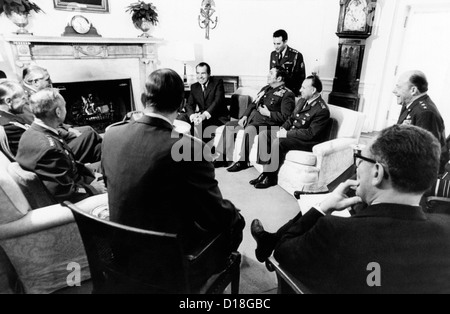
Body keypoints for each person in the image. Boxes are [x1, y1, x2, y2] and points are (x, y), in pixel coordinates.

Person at [251, 124, 450, 294]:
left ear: (377, 172)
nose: (357, 167)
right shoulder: (445, 232)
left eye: (360, 159)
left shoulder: (336, 230)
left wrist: (322, 208)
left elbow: (282, 252)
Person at [102, 68, 245, 289]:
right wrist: (233, 213)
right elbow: (213, 216)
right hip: (168, 265)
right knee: (233, 222)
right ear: (181, 104)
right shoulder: (190, 148)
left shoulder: (110, 134)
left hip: (122, 251)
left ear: (142, 100)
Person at [15, 88, 106, 204]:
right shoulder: (48, 148)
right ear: (58, 112)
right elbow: (66, 192)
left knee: (107, 160)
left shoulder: (33, 133)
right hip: (77, 198)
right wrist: (94, 188)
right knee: (115, 167)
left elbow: (68, 163)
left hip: (76, 179)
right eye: (65, 107)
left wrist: (92, 174)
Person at [249, 75, 331, 189]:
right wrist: (282, 129)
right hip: (293, 134)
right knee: (265, 134)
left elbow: (310, 134)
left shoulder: (322, 110)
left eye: (303, 87)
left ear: (313, 90)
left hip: (307, 142)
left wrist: (286, 134)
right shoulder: (303, 100)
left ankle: (271, 177)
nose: (300, 90)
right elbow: (291, 119)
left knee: (279, 142)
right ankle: (265, 171)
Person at [217, 66, 295, 171]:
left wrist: (269, 114)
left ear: (279, 78)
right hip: (251, 120)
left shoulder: (287, 94)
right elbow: (253, 104)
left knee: (250, 129)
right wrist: (244, 116)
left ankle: (242, 162)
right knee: (229, 126)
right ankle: (222, 158)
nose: (268, 75)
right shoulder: (265, 89)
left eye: (271, 73)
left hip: (267, 125)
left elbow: (286, 117)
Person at [22, 65, 103, 164]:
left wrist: (69, 128)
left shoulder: (36, 93)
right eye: (47, 79)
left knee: (89, 133)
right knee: (91, 135)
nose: (51, 82)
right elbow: (44, 126)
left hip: (57, 134)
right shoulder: (29, 100)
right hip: (57, 142)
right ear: (35, 82)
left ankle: (104, 159)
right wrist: (71, 134)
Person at [394, 70, 449, 173]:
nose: (394, 91)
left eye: (399, 87)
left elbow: (426, 154)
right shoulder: (410, 104)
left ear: (413, 90)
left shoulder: (425, 113)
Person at [177, 62, 228, 140]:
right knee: (181, 118)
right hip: (201, 117)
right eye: (198, 73)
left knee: (199, 126)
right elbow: (189, 104)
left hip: (217, 117)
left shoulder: (217, 83)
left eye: (203, 73)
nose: (200, 76)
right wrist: (193, 116)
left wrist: (203, 115)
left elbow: (217, 102)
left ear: (209, 74)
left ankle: (200, 149)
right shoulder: (194, 87)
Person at [0, 80, 33, 158]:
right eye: (23, 99)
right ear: (8, 101)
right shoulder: (11, 126)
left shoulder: (7, 118)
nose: (26, 102)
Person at [270, 29, 306, 96]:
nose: (275, 47)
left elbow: (300, 79)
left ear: (285, 41)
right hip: (275, 93)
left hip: (289, 93)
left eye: (278, 44)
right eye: (274, 43)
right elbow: (271, 75)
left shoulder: (296, 55)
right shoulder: (273, 54)